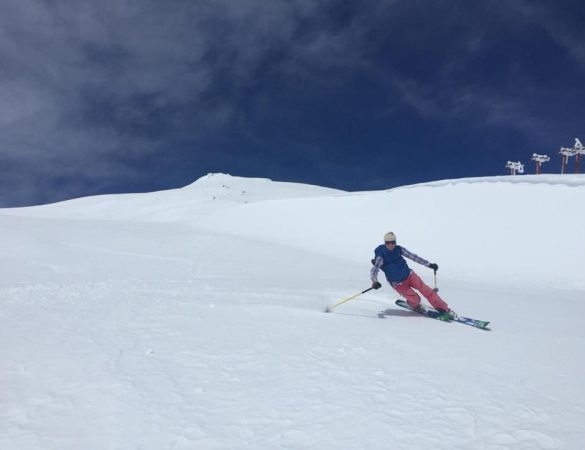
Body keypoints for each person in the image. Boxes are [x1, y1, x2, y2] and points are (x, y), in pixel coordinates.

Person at [370, 231, 456, 318]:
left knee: (427, 291)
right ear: (385, 243)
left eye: (393, 242)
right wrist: (375, 281)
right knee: (416, 299)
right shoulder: (381, 255)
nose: (391, 245)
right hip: (398, 283)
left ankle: (443, 309)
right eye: (388, 243)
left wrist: (429, 264)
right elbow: (374, 270)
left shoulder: (399, 249)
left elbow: (413, 257)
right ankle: (414, 305)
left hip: (410, 275)